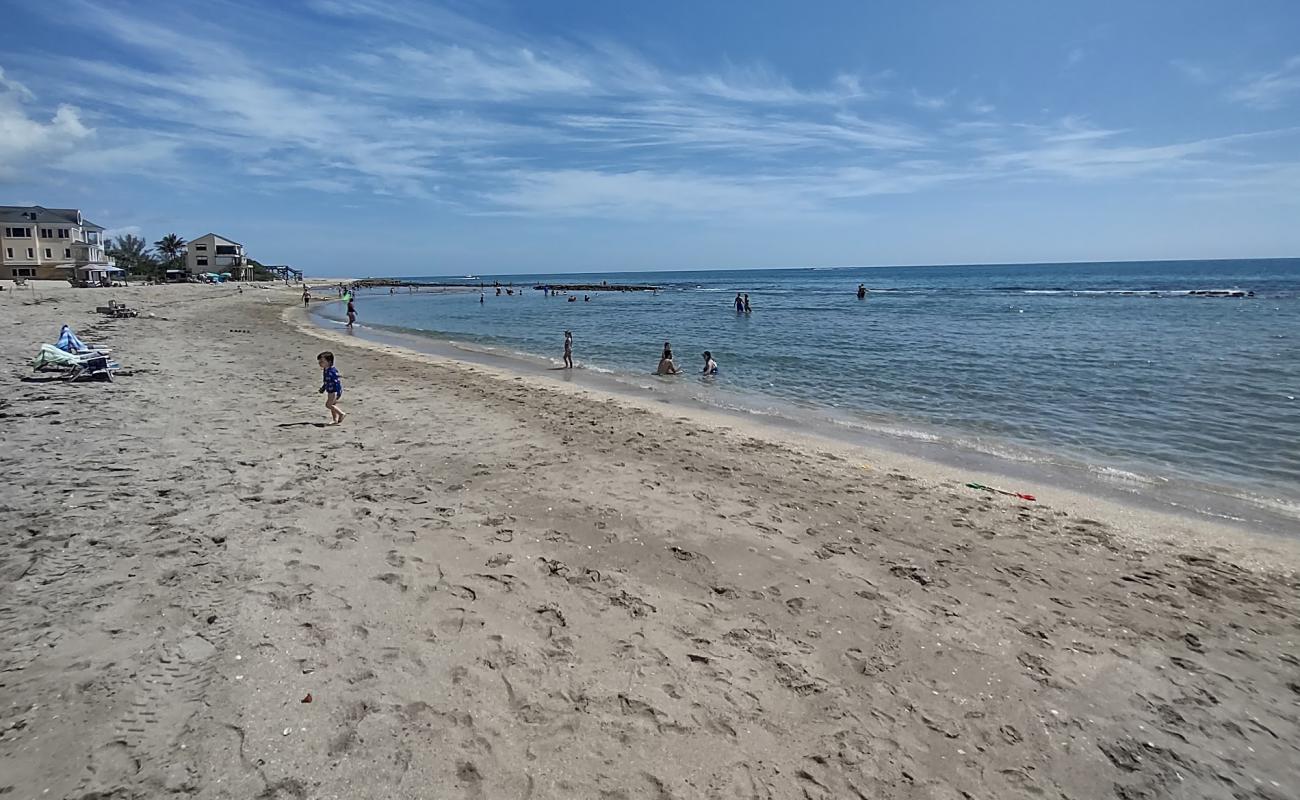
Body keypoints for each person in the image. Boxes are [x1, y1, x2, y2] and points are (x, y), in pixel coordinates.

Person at [317, 351, 346, 425]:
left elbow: (337, 382)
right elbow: (326, 381)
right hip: (330, 390)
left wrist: (338, 392)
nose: (320, 363)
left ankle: (341, 414)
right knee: (333, 405)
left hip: (334, 391)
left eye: (322, 361)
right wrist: (323, 388)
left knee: (328, 405)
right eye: (319, 361)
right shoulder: (325, 370)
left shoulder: (332, 371)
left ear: (329, 362)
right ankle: (335, 420)